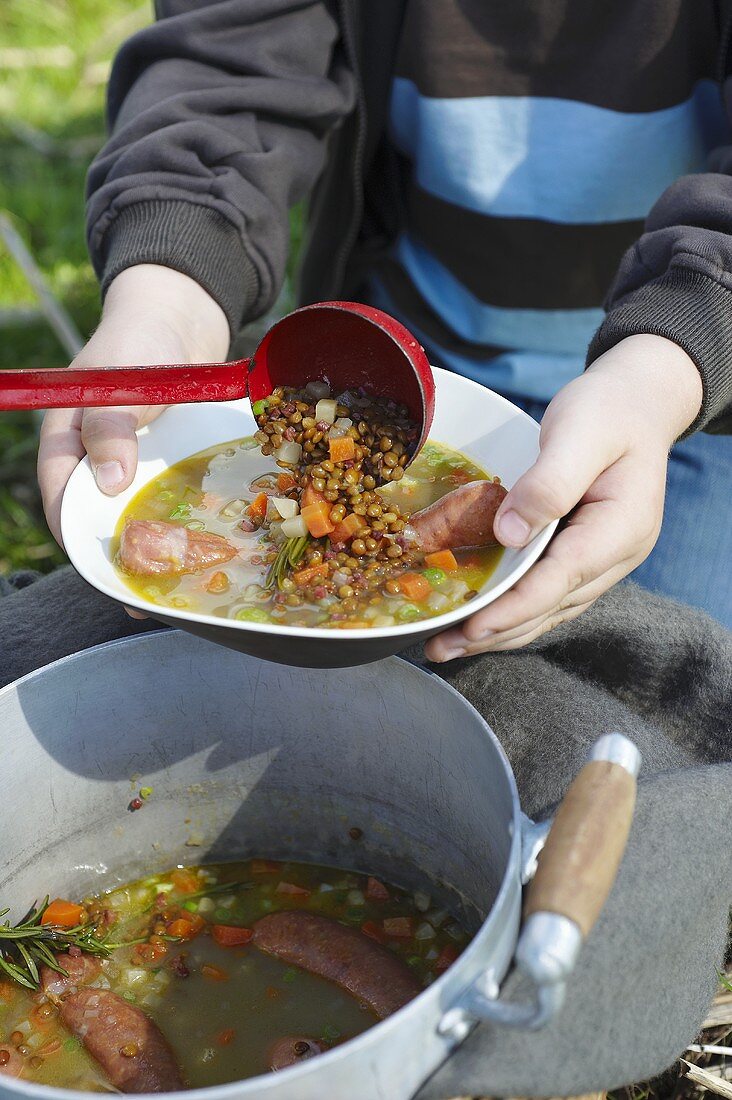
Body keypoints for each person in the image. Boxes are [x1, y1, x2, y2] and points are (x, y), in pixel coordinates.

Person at [36, 0, 732, 662]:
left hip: (682, 388)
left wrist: (663, 371)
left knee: (663, 657)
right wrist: (164, 303)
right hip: (395, 356)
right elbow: (228, 61)